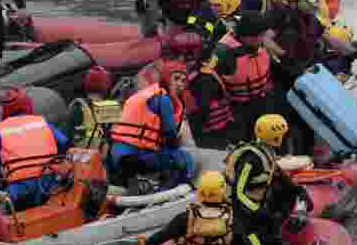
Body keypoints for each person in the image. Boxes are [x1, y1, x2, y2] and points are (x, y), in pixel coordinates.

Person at [225, 114, 310, 245]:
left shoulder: (267, 152)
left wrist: (298, 189)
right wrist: (255, 210)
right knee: (255, 236)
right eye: (281, 135)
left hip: (257, 201)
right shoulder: (250, 160)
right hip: (240, 206)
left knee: (286, 195)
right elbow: (238, 192)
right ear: (274, 137)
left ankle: (272, 238)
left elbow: (277, 173)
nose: (284, 138)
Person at [107, 62, 195, 198]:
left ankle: (138, 187)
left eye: (183, 81)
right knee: (183, 158)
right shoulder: (163, 99)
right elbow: (170, 135)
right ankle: (169, 193)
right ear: (166, 77)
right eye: (176, 78)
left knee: (165, 155)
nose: (179, 84)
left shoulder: (143, 93)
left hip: (116, 155)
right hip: (134, 156)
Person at [0, 88, 70, 209]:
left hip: (19, 188)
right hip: (48, 182)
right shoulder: (42, 122)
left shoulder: (0, 130)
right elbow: (64, 142)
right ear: (28, 105)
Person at [214, 12, 277, 141]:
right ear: (247, 36)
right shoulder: (225, 52)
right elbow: (213, 83)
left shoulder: (259, 45)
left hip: (261, 102)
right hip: (237, 110)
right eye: (259, 36)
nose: (262, 40)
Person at [182, 52, 237, 151]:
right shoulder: (201, 72)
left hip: (212, 132)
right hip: (215, 129)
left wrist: (195, 129)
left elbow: (203, 109)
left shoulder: (203, 80)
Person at [66, 66, 122, 150]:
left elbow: (68, 135)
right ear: (107, 85)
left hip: (82, 157)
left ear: (86, 84)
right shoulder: (112, 107)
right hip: (104, 155)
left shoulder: (77, 106)